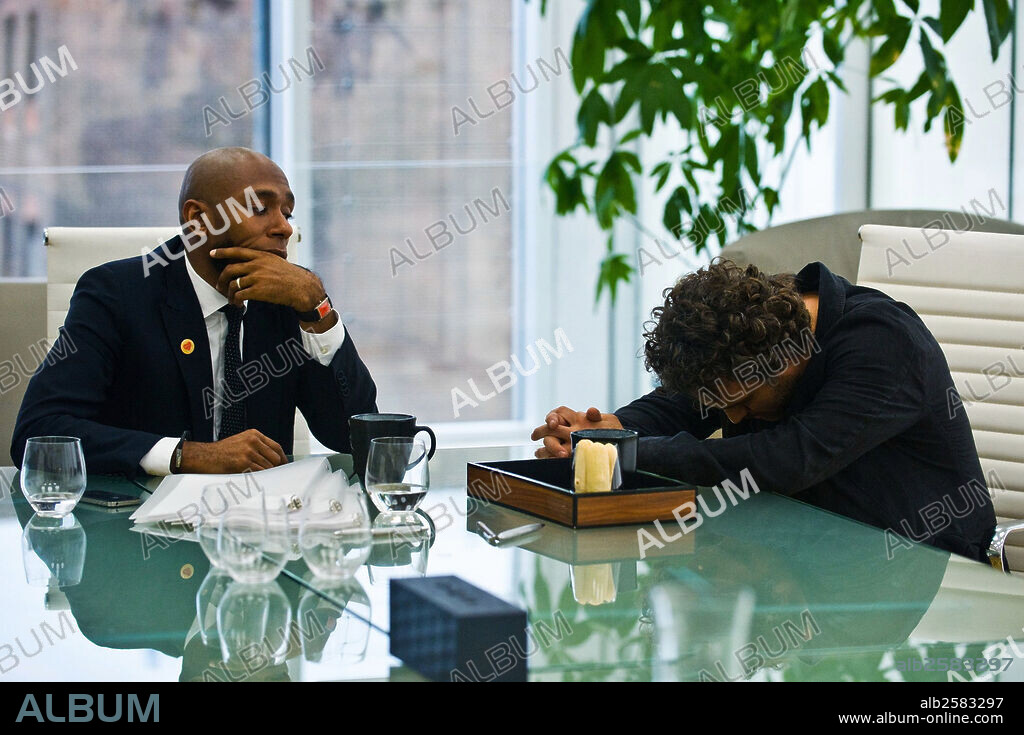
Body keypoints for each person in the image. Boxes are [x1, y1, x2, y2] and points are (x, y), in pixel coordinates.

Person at [531, 259, 996, 562]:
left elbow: (787, 459)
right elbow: (688, 403)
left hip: (921, 558)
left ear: (785, 358)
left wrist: (625, 451)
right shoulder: (759, 333)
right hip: (799, 549)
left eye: (744, 404)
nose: (731, 419)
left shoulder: (885, 346)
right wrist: (615, 426)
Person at [12, 147, 377, 476]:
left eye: (287, 212)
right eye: (260, 208)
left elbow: (355, 438)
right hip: (138, 531)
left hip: (261, 531)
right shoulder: (115, 294)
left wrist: (318, 310)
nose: (283, 227)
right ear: (198, 219)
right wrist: (188, 455)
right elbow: (39, 434)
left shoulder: (287, 301)